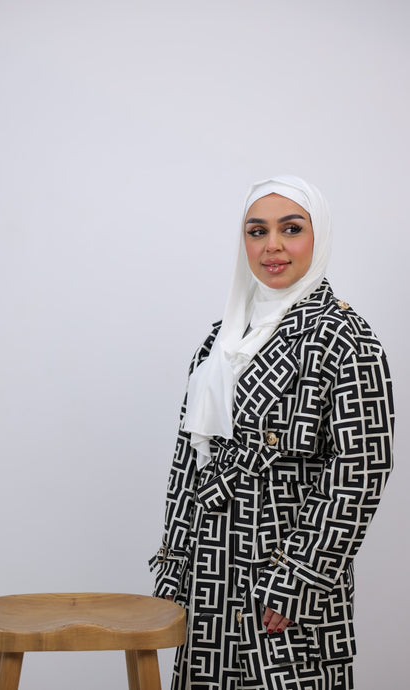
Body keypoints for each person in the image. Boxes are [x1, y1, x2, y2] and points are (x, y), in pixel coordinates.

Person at [149, 175, 394, 690]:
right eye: (257, 231)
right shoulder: (222, 339)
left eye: (292, 229)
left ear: (319, 235)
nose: (272, 246)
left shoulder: (347, 338)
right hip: (212, 564)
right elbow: (188, 460)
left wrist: (298, 578)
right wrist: (174, 563)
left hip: (282, 565)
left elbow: (360, 470)